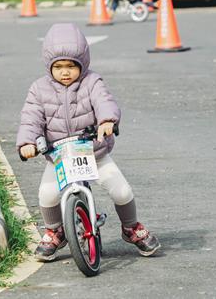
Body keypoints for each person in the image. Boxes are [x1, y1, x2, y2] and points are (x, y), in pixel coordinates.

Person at [16, 23, 160, 261]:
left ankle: (131, 227)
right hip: (60, 157)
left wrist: (107, 121)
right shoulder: (39, 89)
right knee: (47, 194)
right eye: (58, 66)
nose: (65, 72)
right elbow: (30, 119)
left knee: (122, 191)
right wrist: (27, 143)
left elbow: (104, 101)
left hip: (94, 153)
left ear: (82, 62)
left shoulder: (92, 81)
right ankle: (55, 231)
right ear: (48, 66)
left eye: (71, 66)